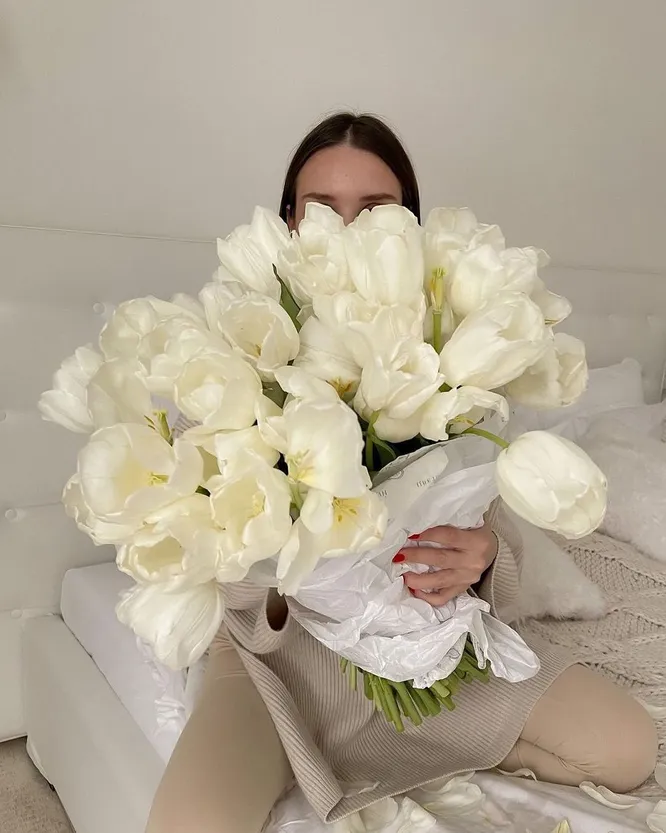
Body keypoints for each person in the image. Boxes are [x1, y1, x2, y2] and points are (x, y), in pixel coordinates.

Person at [147, 113, 657, 833]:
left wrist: (482, 558)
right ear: (288, 221)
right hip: (281, 661)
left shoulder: (445, 345)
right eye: (321, 209)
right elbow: (214, 540)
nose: (345, 230)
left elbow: (485, 511)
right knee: (188, 824)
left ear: (409, 227)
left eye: (374, 210)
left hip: (428, 645)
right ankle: (334, 754)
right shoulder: (235, 344)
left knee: (627, 747)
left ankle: (428, 750)